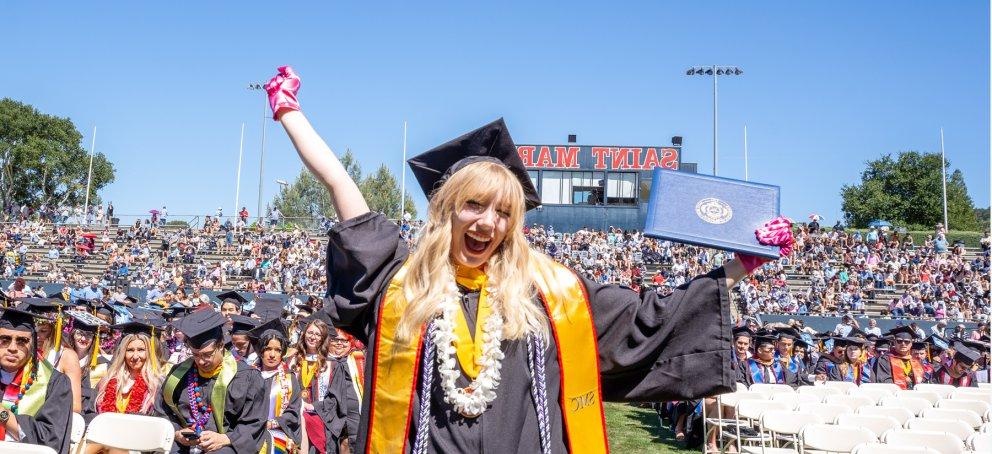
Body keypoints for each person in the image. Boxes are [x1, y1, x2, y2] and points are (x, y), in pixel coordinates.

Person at [268, 65, 793, 452]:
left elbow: (645, 324)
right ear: (447, 210)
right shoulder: (406, 286)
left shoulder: (549, 294)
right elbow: (342, 187)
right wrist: (291, 114)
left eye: (502, 211)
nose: (487, 222)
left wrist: (741, 266)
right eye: (473, 204)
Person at [155, 309, 267, 453]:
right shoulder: (179, 375)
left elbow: (254, 422)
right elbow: (163, 411)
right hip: (185, 443)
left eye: (207, 355)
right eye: (195, 355)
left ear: (221, 345)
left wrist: (227, 438)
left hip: (227, 445)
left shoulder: (247, 377)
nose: (201, 361)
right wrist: (177, 432)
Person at [0, 306, 73, 452]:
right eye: (5, 339)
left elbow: (50, 440)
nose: (12, 347)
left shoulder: (56, 383)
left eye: (22, 341)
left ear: (32, 344)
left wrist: (3, 414)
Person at [83, 321, 163, 454]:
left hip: (138, 445)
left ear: (149, 353)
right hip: (104, 440)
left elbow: (157, 425)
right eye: (130, 350)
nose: (135, 356)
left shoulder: (156, 385)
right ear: (123, 353)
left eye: (141, 350)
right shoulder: (107, 381)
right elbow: (90, 413)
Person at [248, 318, 303, 454]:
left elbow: (293, 412)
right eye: (268, 349)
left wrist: (273, 423)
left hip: (279, 434)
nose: (272, 355)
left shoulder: (290, 379)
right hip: (249, 434)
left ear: (282, 352)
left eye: (278, 350)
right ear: (260, 351)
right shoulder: (248, 375)